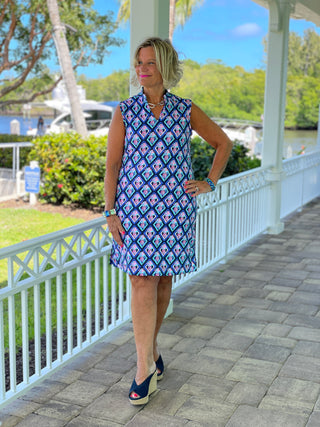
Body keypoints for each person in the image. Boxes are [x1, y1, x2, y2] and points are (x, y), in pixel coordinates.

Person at [104, 37, 232, 405]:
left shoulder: (185, 109)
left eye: (150, 63)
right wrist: (110, 211)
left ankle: (151, 352)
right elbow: (112, 166)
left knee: (161, 283)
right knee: (142, 281)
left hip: (174, 211)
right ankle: (144, 367)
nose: (142, 70)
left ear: (164, 67)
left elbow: (223, 143)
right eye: (139, 63)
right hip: (134, 211)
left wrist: (209, 181)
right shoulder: (124, 111)